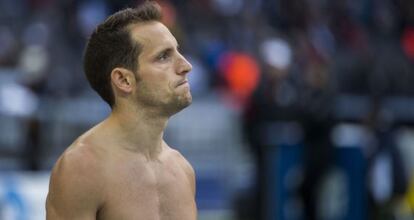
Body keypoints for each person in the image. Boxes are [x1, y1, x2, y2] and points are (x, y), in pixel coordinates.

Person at [46, 1, 196, 219]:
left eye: (177, 51)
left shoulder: (183, 170)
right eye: (163, 56)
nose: (185, 66)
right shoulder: (82, 168)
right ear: (124, 79)